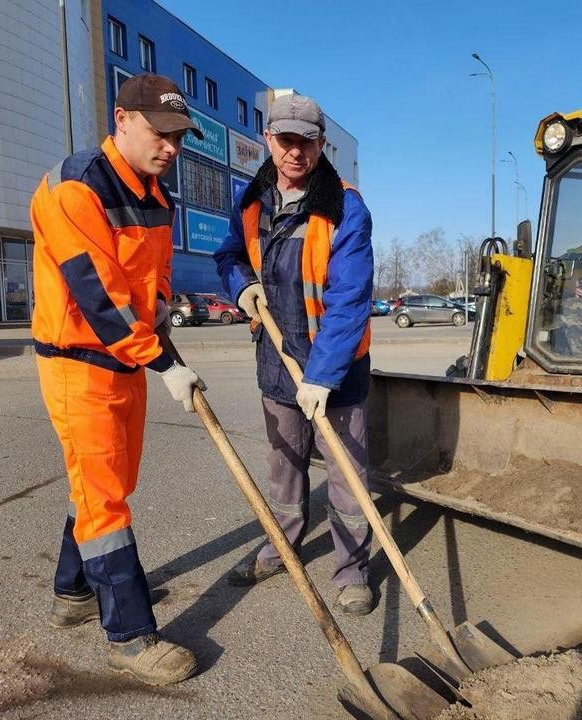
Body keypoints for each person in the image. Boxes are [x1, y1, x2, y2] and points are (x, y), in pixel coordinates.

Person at [30, 73, 206, 685]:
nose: (172, 149)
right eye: (162, 134)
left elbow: (149, 286)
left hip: (125, 360)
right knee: (104, 495)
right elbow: (99, 298)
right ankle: (129, 636)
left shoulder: (157, 197)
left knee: (111, 480)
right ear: (122, 120)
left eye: (180, 138)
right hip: (79, 362)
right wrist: (163, 363)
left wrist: (164, 331)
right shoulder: (74, 188)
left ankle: (73, 593)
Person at [214, 94, 376, 616]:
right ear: (268, 138)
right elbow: (229, 254)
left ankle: (351, 570)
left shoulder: (345, 205)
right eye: (285, 140)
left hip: (338, 371)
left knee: (347, 476)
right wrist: (241, 286)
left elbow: (350, 298)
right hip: (277, 362)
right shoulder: (253, 198)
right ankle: (282, 548)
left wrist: (323, 375)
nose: (295, 153)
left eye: (306, 142)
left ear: (320, 144)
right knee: (284, 470)